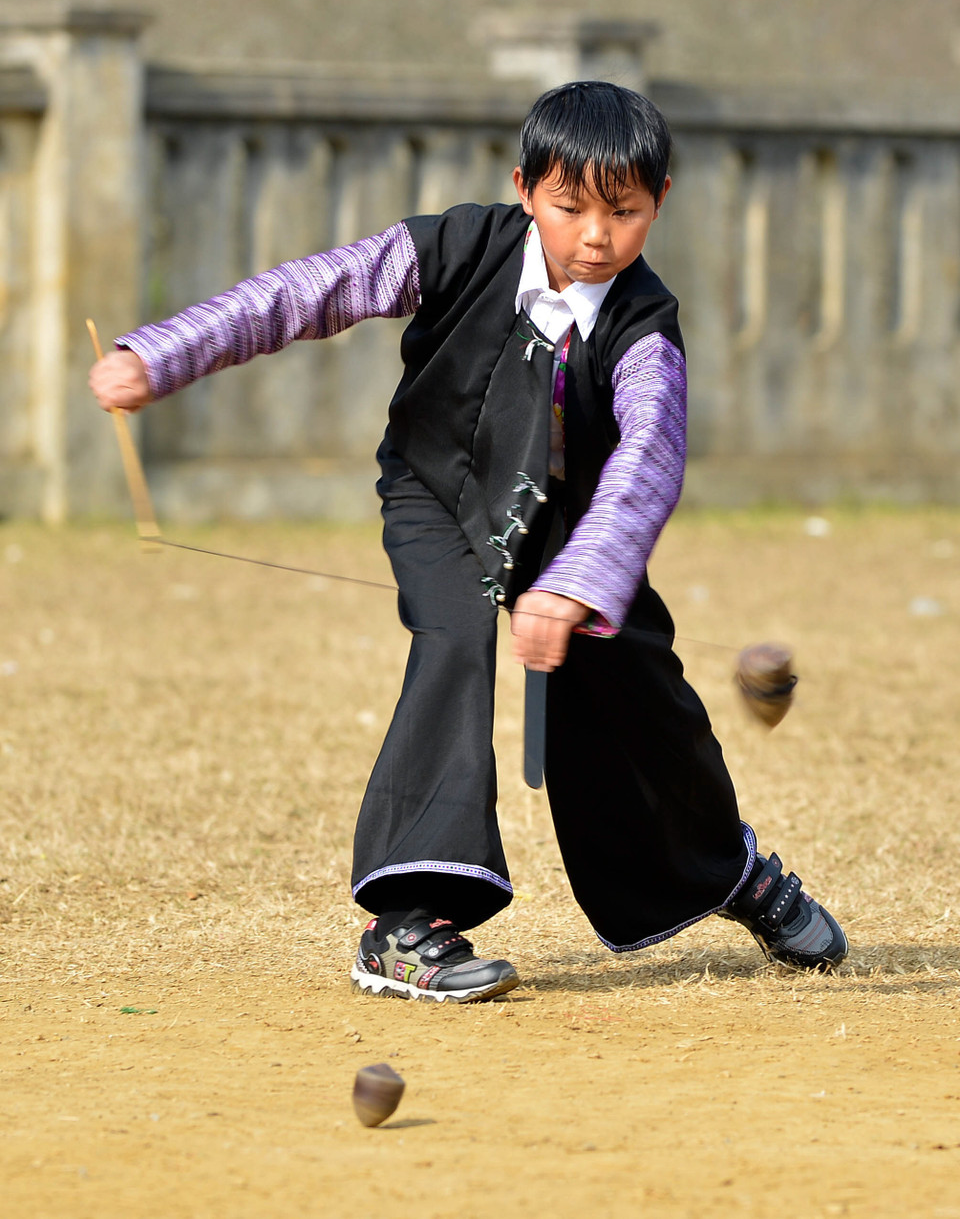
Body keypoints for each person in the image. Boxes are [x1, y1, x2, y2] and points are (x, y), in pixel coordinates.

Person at [90, 81, 848, 1002]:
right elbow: (303, 292)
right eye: (570, 208)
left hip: (570, 535)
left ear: (662, 201)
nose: (596, 238)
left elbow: (648, 458)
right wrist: (159, 356)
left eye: (625, 212)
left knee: (636, 679)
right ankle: (405, 926)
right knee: (454, 636)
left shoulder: (646, 326)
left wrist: (575, 587)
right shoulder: (456, 245)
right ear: (526, 188)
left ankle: (731, 871)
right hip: (438, 498)